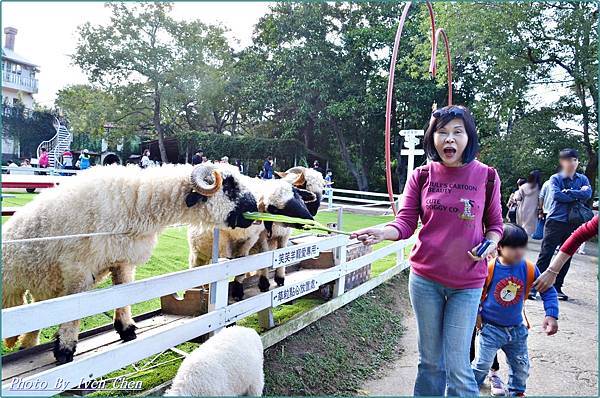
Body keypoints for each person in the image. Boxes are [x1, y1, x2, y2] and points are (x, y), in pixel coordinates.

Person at [351, 105, 503, 396]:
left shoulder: (487, 176)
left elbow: (495, 225)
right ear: (432, 138)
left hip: (467, 283)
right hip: (425, 281)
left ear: (468, 137)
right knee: (431, 362)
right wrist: (382, 232)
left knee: (458, 365)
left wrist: (491, 243)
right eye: (441, 132)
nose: (449, 139)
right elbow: (406, 222)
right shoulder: (421, 175)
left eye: (457, 132)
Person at [471, 223, 559, 396]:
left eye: (522, 247)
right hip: (490, 329)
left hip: (517, 330)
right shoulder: (489, 268)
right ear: (500, 247)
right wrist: (477, 315)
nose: (519, 251)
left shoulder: (529, 268)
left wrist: (551, 314)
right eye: (513, 247)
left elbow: (548, 290)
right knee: (481, 364)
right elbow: (474, 294)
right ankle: (468, 389)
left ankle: (517, 392)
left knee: (521, 365)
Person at [533, 148, 591, 301]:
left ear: (578, 162)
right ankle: (534, 287)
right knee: (546, 254)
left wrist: (569, 192)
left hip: (573, 223)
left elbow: (587, 194)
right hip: (555, 221)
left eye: (574, 160)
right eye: (567, 160)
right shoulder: (555, 178)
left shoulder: (583, 179)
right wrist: (577, 194)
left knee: (567, 255)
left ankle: (557, 287)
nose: (571, 163)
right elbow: (557, 196)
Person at [534, 215, 598, 293]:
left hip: (573, 221)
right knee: (546, 253)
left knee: (566, 260)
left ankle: (556, 287)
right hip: (556, 219)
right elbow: (579, 236)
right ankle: (535, 285)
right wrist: (552, 271)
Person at [514, 170, 541, 235]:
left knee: (521, 225)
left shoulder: (524, 186)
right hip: (534, 209)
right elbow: (541, 199)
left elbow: (518, 198)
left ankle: (521, 237)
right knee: (530, 227)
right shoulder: (539, 187)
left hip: (523, 208)